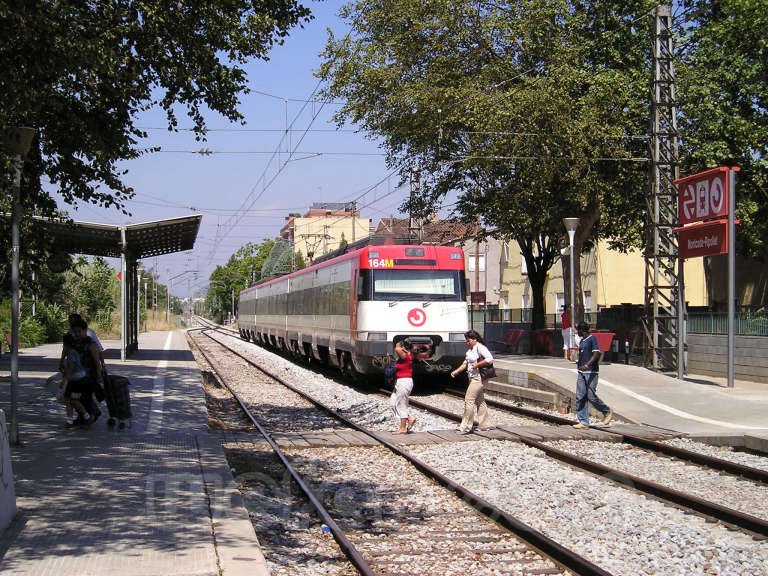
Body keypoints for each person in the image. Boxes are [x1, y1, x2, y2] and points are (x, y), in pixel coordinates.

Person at [450, 329, 493, 434]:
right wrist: (456, 371)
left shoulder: (481, 348)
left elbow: (490, 359)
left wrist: (477, 365)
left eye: (468, 340)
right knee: (480, 401)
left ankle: (466, 426)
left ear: (475, 339)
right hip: (472, 377)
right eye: (466, 340)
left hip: (478, 378)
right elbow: (465, 363)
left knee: (469, 400)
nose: (467, 342)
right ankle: (485, 425)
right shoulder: (470, 350)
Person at [572, 321, 612, 429]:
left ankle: (607, 411)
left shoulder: (592, 339)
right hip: (581, 372)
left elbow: (596, 354)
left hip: (591, 372)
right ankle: (584, 422)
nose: (576, 332)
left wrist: (587, 364)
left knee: (591, 396)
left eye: (577, 330)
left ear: (581, 330)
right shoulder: (582, 341)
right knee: (580, 397)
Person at [59, 332, 93, 426]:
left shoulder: (71, 353)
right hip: (75, 378)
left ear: (65, 344)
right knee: (67, 398)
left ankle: (87, 417)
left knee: (73, 400)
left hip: (77, 379)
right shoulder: (72, 351)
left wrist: (64, 380)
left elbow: (71, 368)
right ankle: (69, 420)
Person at [389, 338, 416, 434]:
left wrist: (402, 347)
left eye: (397, 346)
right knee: (393, 403)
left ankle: (402, 428)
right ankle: (409, 418)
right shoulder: (402, 358)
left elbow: (397, 349)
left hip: (404, 382)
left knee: (401, 405)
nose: (395, 348)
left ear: (403, 348)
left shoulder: (406, 356)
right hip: (399, 382)